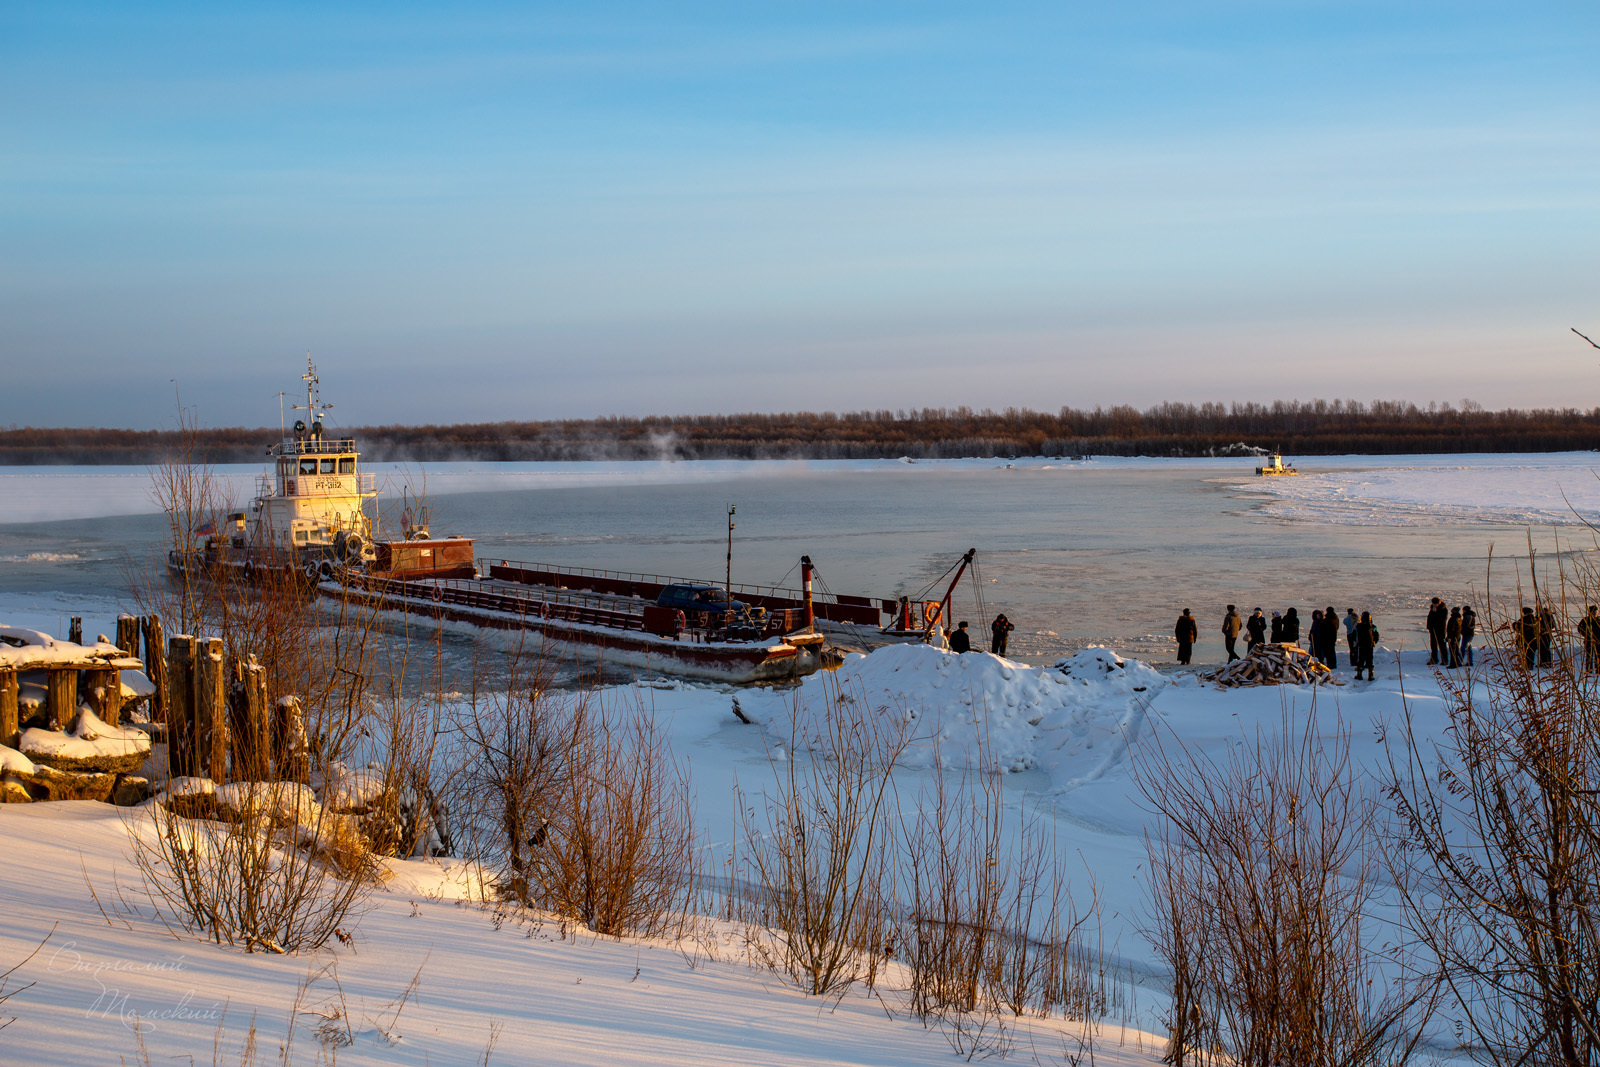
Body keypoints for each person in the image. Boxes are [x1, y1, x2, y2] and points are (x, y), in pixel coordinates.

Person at [1354, 611, 1380, 680]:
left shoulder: (1358, 626)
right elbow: (1376, 636)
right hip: (1370, 645)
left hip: (1361, 645)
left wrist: (1356, 642)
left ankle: (1359, 675)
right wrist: (1374, 642)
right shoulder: (1373, 627)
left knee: (1361, 660)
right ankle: (1370, 675)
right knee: (1370, 660)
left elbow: (1354, 635)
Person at [1426, 597, 1448, 665]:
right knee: (1433, 646)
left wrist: (1436, 612)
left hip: (1440, 630)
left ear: (1439, 603)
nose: (1435, 605)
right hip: (1433, 630)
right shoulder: (1432, 609)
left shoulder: (1443, 609)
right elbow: (1429, 618)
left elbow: (1442, 619)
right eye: (1434, 604)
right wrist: (1429, 628)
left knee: (1442, 646)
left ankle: (1444, 660)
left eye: (1436, 604)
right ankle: (1434, 659)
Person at [1580, 605, 1600, 673]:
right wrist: (1585, 634)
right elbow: (1579, 628)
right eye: (1593, 612)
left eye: (1595, 612)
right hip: (1589, 641)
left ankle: (1598, 671)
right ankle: (1589, 671)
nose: (1594, 613)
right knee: (1589, 656)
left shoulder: (1599, 619)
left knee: (1598, 657)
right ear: (1590, 613)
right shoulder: (1586, 620)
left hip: (1598, 641)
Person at [1539, 603, 1556, 667]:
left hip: (1545, 634)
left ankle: (1547, 663)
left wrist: (1544, 628)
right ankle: (1544, 662)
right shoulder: (1544, 616)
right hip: (1544, 634)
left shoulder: (1547, 617)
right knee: (1543, 649)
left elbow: (1553, 625)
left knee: (1545, 649)